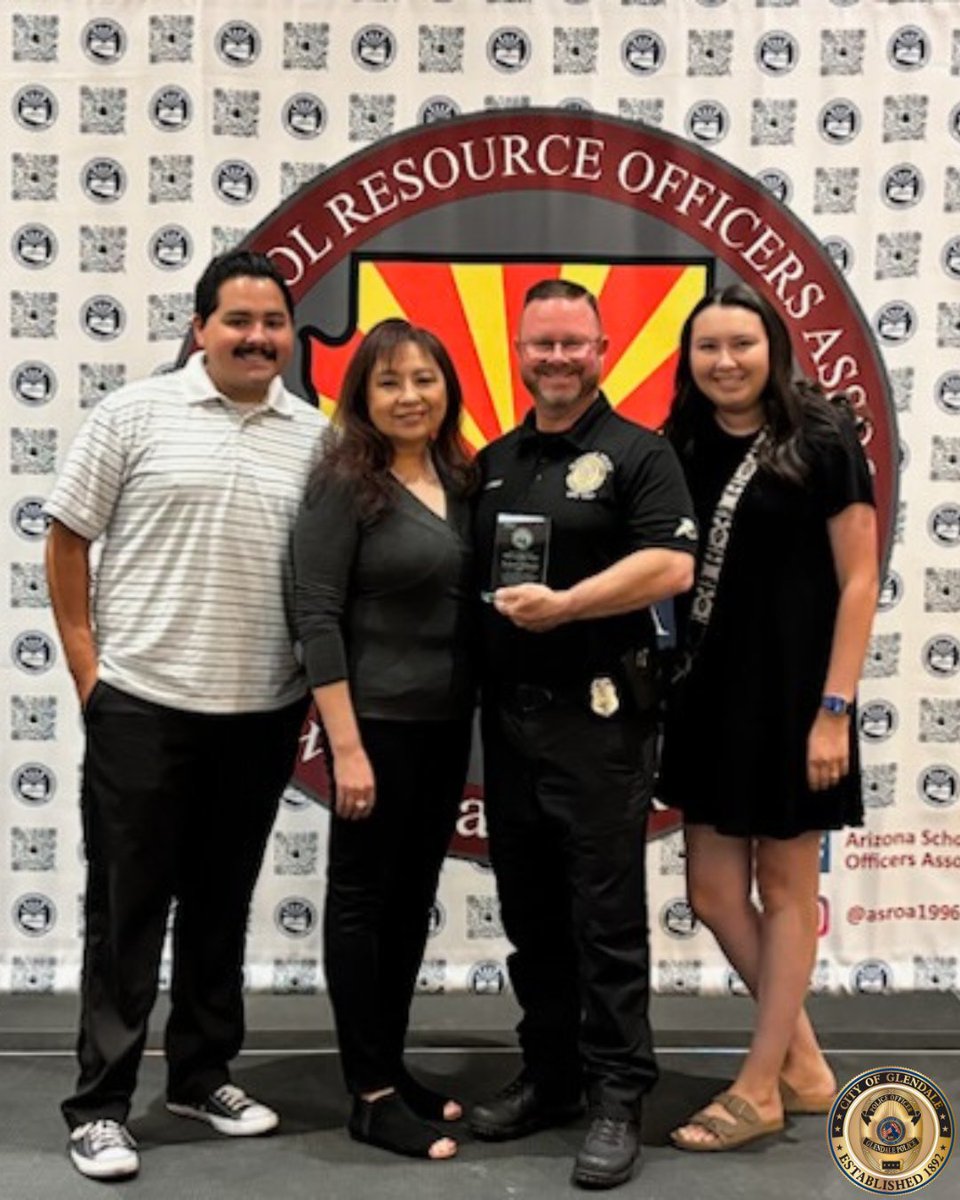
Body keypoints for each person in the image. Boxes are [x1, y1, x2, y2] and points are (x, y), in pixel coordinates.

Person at [45, 250, 324, 1181]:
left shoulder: (316, 438)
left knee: (219, 908)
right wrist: (91, 674)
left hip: (261, 712)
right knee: (126, 915)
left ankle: (201, 1077)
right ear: (200, 327)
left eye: (273, 322)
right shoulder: (132, 414)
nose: (257, 338)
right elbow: (67, 537)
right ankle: (99, 1106)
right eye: (238, 321)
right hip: (144, 707)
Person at [471, 279, 697, 1190]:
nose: (556, 359)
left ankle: (616, 1093)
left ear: (602, 349)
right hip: (511, 717)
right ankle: (552, 1075)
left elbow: (672, 562)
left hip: (602, 718)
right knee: (530, 914)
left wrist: (565, 606)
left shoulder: (639, 455)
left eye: (573, 343)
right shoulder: (492, 459)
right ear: (518, 353)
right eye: (540, 345)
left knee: (604, 917)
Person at [659, 282, 878, 1151]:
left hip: (797, 697)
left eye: (742, 345)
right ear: (690, 359)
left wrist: (835, 710)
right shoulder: (678, 441)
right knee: (712, 892)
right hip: (708, 696)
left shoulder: (821, 440)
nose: (725, 362)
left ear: (773, 349)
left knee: (787, 890)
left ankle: (758, 1088)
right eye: (708, 347)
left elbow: (858, 580)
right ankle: (807, 1063)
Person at [292, 318, 477, 1161]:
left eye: (424, 379)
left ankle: (392, 1070)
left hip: (444, 729)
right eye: (391, 382)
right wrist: (348, 745)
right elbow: (316, 615)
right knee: (363, 903)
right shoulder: (344, 482)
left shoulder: (464, 476)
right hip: (374, 728)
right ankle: (367, 1095)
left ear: (448, 387)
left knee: (408, 905)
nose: (410, 396)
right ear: (362, 396)